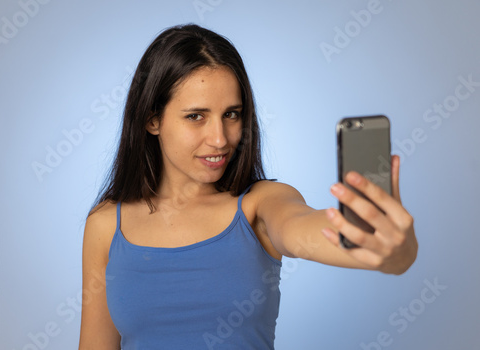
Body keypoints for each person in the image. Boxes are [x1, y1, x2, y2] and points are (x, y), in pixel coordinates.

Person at [78, 24, 418, 350]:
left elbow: (301, 230)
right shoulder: (106, 224)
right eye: (196, 116)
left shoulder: (261, 204)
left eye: (232, 114)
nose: (220, 138)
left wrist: (391, 249)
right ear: (152, 119)